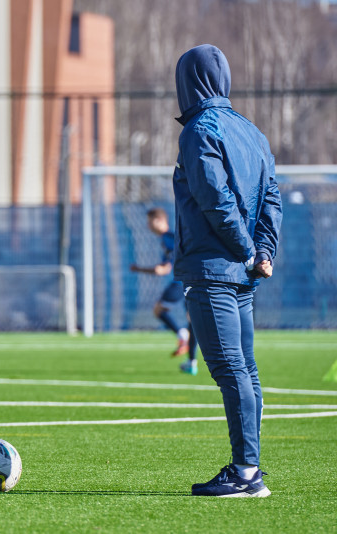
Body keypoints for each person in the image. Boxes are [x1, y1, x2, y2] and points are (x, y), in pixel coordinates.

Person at [172, 45, 281, 497]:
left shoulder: (199, 130)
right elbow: (271, 197)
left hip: (214, 268)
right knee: (247, 371)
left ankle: (246, 472)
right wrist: (263, 251)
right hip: (244, 272)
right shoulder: (252, 131)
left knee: (231, 369)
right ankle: (250, 466)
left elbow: (216, 199)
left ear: (188, 82)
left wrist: (245, 250)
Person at [130, 207, 199, 375]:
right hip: (189, 279)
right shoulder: (166, 239)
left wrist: (139, 269)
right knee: (192, 320)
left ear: (160, 221)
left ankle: (182, 335)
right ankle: (192, 362)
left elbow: (164, 269)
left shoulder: (169, 238)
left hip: (182, 281)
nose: (148, 226)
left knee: (159, 310)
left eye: (150, 221)